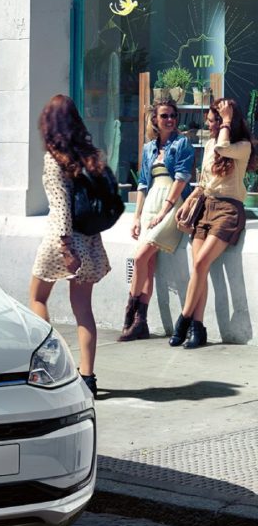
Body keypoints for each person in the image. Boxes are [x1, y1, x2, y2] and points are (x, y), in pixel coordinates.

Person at [29, 95, 111, 396]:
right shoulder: (90, 154)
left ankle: (51, 365)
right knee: (83, 311)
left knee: (37, 297)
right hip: (89, 241)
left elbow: (61, 207)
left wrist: (66, 249)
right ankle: (87, 377)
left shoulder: (55, 158)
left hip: (62, 240)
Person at [170, 98, 256, 349]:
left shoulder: (242, 146)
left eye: (213, 121)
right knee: (200, 269)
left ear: (226, 122)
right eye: (208, 122)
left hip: (229, 210)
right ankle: (198, 328)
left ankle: (183, 319)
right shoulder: (209, 145)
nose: (209, 126)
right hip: (206, 207)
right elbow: (205, 182)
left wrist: (227, 119)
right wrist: (190, 200)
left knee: (200, 262)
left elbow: (223, 148)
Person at [118, 98, 194, 340]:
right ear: (155, 119)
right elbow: (142, 184)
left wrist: (164, 211)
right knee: (147, 266)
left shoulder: (182, 143)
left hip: (172, 204)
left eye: (173, 115)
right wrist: (137, 217)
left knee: (140, 257)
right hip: (151, 202)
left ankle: (130, 311)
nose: (170, 119)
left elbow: (181, 178)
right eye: (164, 116)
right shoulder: (149, 147)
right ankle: (140, 323)